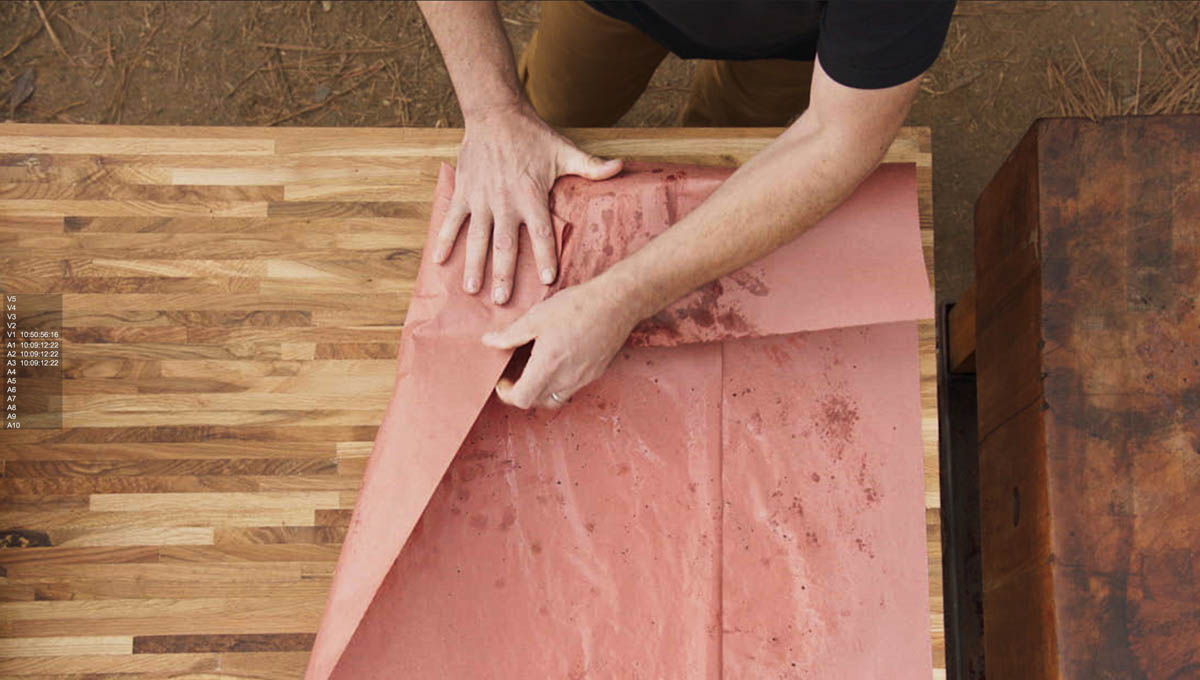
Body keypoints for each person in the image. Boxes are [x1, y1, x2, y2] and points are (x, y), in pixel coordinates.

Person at [416, 0, 955, 410]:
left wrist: (625, 297)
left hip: (787, 39)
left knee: (725, 155)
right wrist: (494, 111)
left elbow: (835, 137)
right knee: (554, 105)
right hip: (605, 7)